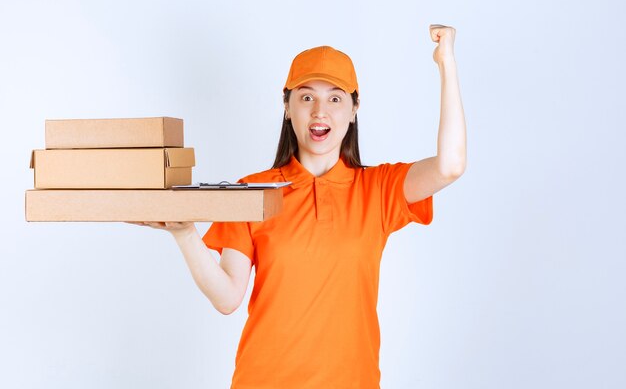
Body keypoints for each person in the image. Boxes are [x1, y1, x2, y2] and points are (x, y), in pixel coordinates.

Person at [132, 24, 466, 388]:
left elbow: (451, 166)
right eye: (306, 98)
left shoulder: (378, 189)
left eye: (335, 98)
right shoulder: (253, 190)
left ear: (355, 109)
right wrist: (184, 234)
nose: (320, 111)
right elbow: (228, 297)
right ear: (287, 107)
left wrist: (446, 62)